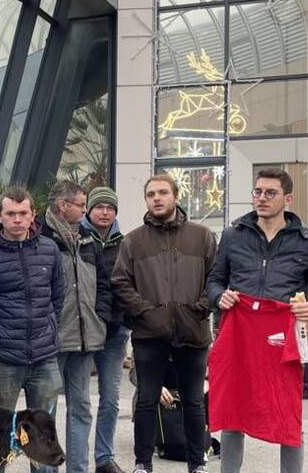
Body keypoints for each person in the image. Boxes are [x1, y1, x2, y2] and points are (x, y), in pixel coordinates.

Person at [205, 167, 308, 473]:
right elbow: (213, 281)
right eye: (257, 192)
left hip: (283, 339)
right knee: (233, 411)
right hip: (239, 334)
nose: (261, 198)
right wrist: (218, 297)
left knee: (287, 414)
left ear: (287, 198)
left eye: (270, 193)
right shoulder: (232, 236)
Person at [112, 174, 216, 473]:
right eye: (150, 194)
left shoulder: (202, 236)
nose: (156, 198)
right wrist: (147, 313)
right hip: (148, 335)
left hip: (193, 331)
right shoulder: (133, 241)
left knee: (195, 403)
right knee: (146, 402)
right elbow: (120, 282)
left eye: (162, 193)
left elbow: (217, 278)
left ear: (175, 196)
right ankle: (143, 463)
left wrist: (197, 310)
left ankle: (197, 463)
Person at [0, 185, 65, 473]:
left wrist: (48, 328)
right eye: (11, 214)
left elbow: (57, 298)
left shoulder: (49, 250)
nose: (17, 219)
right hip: (3, 361)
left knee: (45, 435)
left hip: (44, 358)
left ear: (33, 214)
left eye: (23, 213)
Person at [38, 180, 111, 473]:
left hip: (85, 340)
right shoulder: (40, 237)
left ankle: (78, 469)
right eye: (81, 205)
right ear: (62, 206)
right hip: (52, 341)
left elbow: (104, 283)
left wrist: (100, 315)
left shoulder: (88, 239)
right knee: (46, 413)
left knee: (80, 409)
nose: (85, 210)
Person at [83, 186, 128, 473]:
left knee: (110, 399)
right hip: (82, 331)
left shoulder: (126, 242)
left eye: (110, 207)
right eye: (99, 206)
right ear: (88, 209)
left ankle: (104, 458)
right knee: (80, 402)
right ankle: (74, 458)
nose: (104, 212)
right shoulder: (76, 238)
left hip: (116, 332)